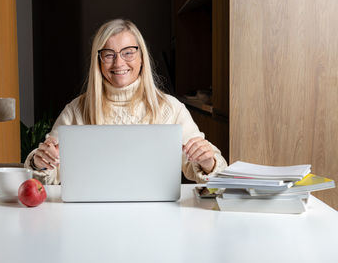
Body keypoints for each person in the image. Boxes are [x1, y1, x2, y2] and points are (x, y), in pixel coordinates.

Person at [24, 19, 227, 184]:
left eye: (128, 52)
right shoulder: (77, 110)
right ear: (99, 62)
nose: (119, 62)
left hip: (156, 218)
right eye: (108, 54)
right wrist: (40, 162)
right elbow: (43, 178)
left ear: (141, 57)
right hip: (90, 216)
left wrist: (207, 162)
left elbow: (216, 175)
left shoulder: (170, 108)